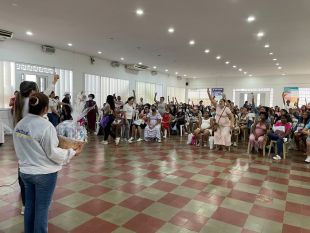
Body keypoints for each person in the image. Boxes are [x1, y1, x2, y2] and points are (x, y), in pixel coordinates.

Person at [13, 93, 81, 233]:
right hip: (44, 174)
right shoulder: (46, 126)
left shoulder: (20, 124)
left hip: (25, 172)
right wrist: (72, 152)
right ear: (45, 108)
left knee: (30, 205)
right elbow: (53, 153)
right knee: (42, 208)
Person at [14, 75, 59, 215]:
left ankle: (26, 204)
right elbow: (44, 96)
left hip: (24, 143)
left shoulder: (20, 102)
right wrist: (53, 82)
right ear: (33, 91)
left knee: (23, 172)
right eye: (37, 90)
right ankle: (29, 204)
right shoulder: (31, 103)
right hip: (34, 143)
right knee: (32, 174)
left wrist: (53, 82)